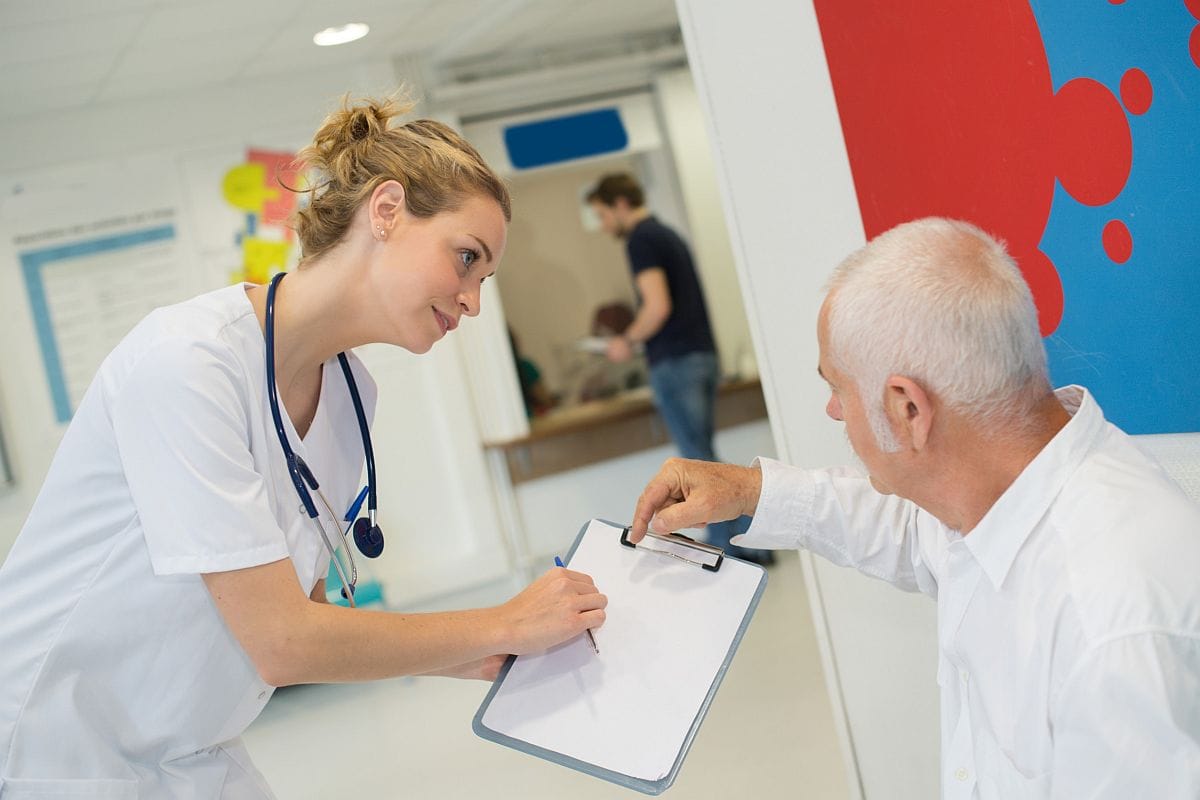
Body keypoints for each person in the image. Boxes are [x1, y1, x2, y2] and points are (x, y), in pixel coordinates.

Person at [0, 95, 607, 798]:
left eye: (484, 279)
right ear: (385, 211)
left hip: (186, 749)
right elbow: (282, 641)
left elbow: (310, 618)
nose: (471, 301)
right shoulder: (187, 362)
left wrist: (475, 648)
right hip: (49, 748)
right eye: (465, 259)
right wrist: (499, 620)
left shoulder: (352, 395)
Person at [629, 218, 1200, 798]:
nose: (832, 411)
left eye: (838, 388)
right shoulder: (1002, 490)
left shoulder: (1109, 626)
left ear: (906, 409)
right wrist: (751, 490)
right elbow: (912, 528)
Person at [586, 172, 772, 565]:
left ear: (621, 205)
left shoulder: (641, 240)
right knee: (704, 458)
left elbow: (657, 305)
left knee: (696, 464)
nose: (603, 227)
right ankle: (740, 544)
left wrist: (627, 342)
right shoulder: (667, 234)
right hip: (701, 356)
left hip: (675, 363)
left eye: (603, 215)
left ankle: (731, 553)